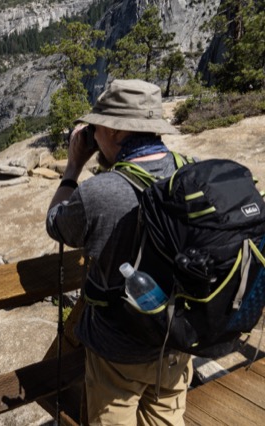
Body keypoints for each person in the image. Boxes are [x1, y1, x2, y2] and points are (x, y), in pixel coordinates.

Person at [46, 79, 193, 425]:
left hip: (119, 349)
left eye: (96, 127)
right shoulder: (192, 169)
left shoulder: (100, 192)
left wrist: (72, 168)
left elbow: (55, 223)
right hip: (176, 339)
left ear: (113, 130)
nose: (92, 134)